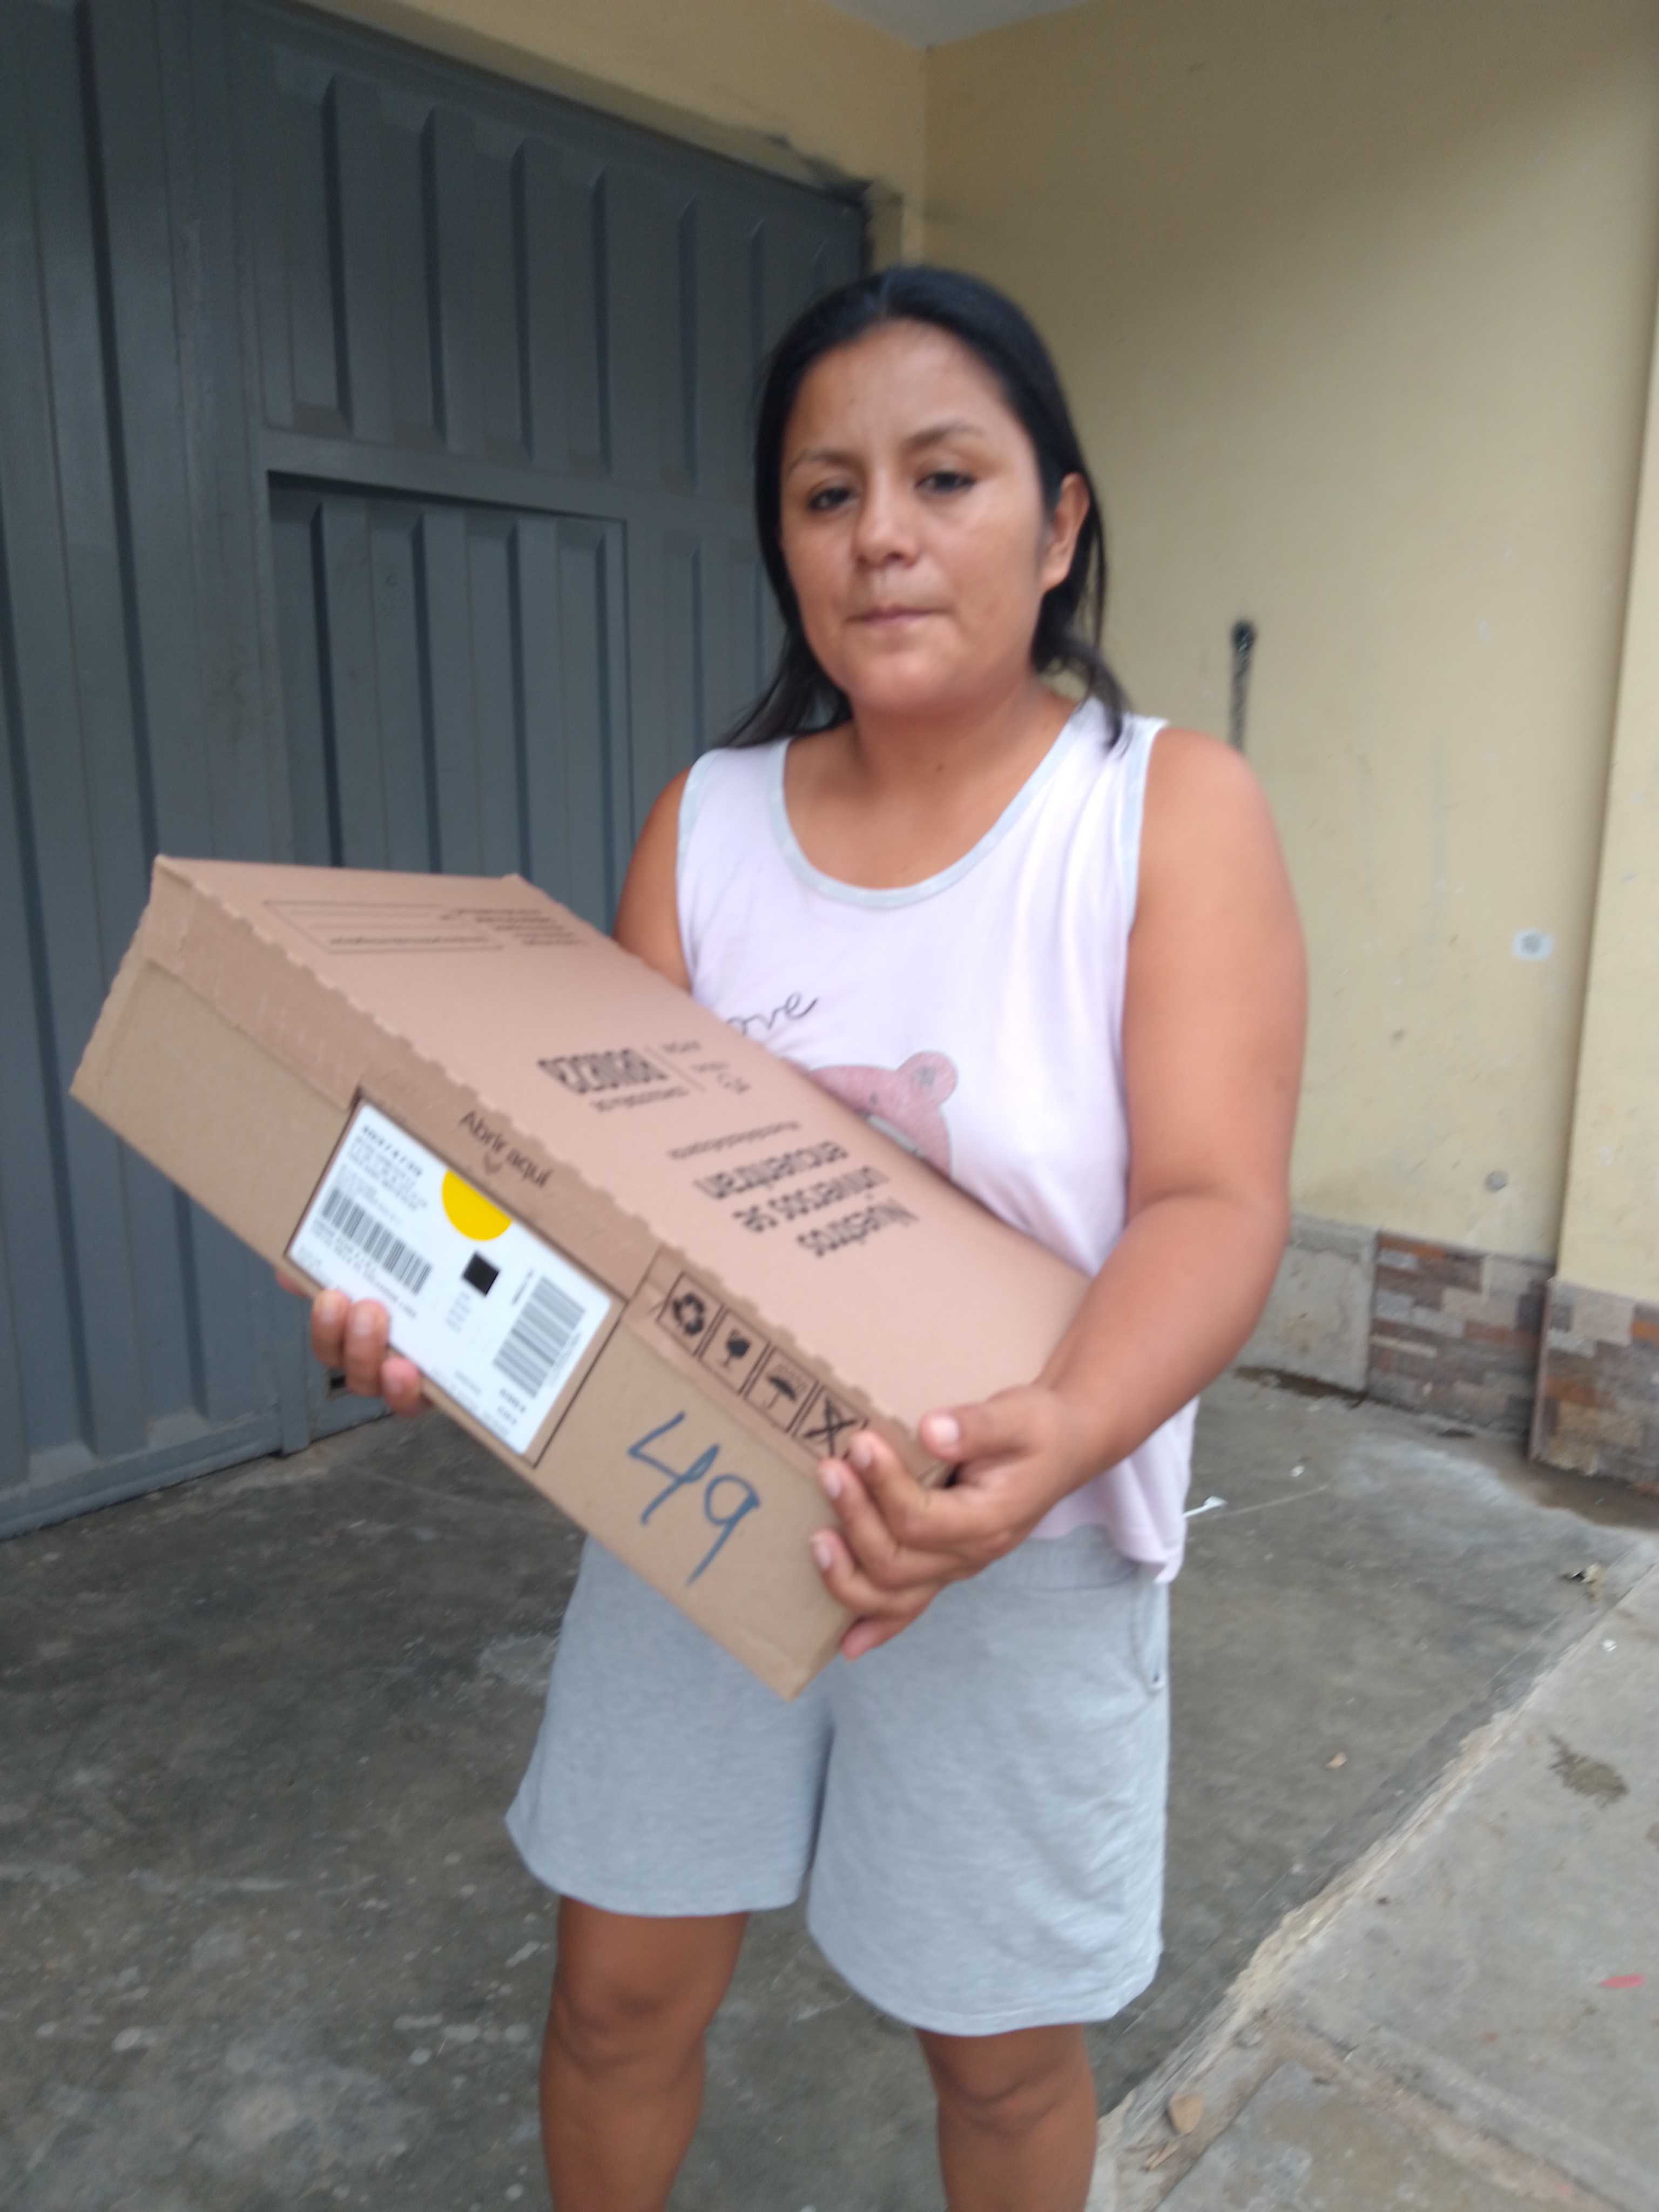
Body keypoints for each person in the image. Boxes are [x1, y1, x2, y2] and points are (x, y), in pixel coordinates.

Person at [299, 265, 1306, 2212]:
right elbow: (595, 1196)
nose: (883, 537)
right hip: (701, 1508)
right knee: (616, 2000)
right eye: (827, 494)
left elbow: (1215, 1198)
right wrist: (422, 1294)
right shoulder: (708, 822)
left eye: (946, 478)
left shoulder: (1160, 812)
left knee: (999, 2064)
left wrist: (1059, 1437)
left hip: (1022, 1542)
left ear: (1061, 523)